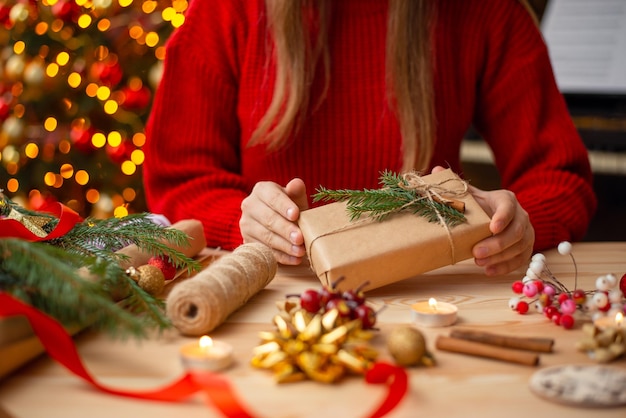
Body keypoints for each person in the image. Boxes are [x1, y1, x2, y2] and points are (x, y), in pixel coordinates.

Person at [143, 0, 596, 277]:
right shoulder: (225, 10)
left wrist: (519, 220)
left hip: (435, 296)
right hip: (273, 295)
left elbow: (560, 177)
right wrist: (244, 222)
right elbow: (179, 180)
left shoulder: (485, 11)